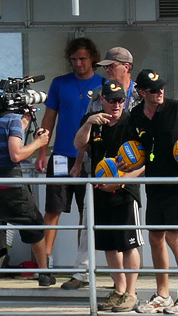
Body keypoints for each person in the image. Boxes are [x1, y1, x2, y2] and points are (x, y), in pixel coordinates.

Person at [124, 69, 178, 314]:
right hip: (154, 184)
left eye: (161, 86)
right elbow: (136, 150)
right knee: (155, 237)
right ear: (142, 93)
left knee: (174, 238)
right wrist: (125, 165)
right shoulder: (136, 115)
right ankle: (163, 294)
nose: (160, 91)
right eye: (153, 89)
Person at [0, 79, 53, 309]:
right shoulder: (11, 121)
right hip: (12, 185)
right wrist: (39, 142)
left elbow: (0, 140)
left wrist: (23, 124)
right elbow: (16, 155)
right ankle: (44, 274)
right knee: (35, 226)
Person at [37, 37, 106, 286]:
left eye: (83, 59)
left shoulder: (103, 83)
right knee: (53, 210)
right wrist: (42, 152)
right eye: (74, 59)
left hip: (90, 158)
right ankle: (44, 265)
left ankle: (81, 270)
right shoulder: (59, 84)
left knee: (85, 213)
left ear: (93, 59)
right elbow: (49, 120)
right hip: (61, 155)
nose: (78, 63)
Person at [74, 82, 141, 311]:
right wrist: (90, 123)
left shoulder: (132, 121)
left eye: (120, 100)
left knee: (129, 244)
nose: (116, 105)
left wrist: (123, 180)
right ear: (102, 100)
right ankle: (119, 289)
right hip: (100, 190)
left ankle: (131, 293)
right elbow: (79, 144)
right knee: (109, 246)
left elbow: (145, 161)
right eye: (112, 100)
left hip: (125, 192)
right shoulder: (93, 120)